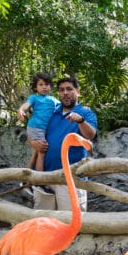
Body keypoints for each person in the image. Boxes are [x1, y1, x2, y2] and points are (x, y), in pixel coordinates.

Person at [29, 76, 97, 211]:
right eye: (61, 90)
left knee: (71, 222)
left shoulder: (86, 113)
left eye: (69, 89)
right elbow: (36, 132)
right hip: (45, 177)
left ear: (78, 92)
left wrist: (81, 121)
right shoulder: (51, 112)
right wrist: (33, 142)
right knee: (44, 222)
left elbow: (91, 135)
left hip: (71, 179)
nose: (65, 93)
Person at [17, 72, 58, 172]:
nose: (44, 87)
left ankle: (27, 176)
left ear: (51, 87)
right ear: (35, 87)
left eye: (47, 84)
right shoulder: (34, 97)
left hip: (43, 129)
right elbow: (26, 105)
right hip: (35, 127)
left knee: (36, 152)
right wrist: (21, 110)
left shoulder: (53, 99)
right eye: (41, 84)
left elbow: (63, 108)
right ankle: (40, 180)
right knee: (42, 152)